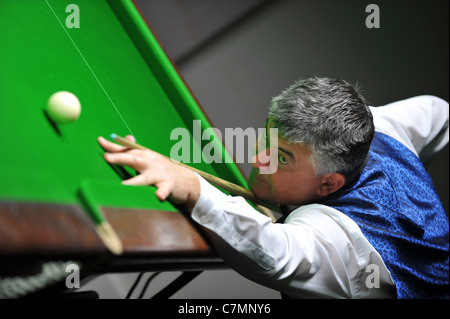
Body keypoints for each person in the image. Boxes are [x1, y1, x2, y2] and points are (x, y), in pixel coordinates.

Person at [98, 77, 449, 299]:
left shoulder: (342, 241)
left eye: (282, 157)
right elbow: (439, 112)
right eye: (266, 136)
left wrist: (192, 187)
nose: (257, 157)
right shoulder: (381, 130)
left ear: (329, 183)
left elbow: (274, 253)